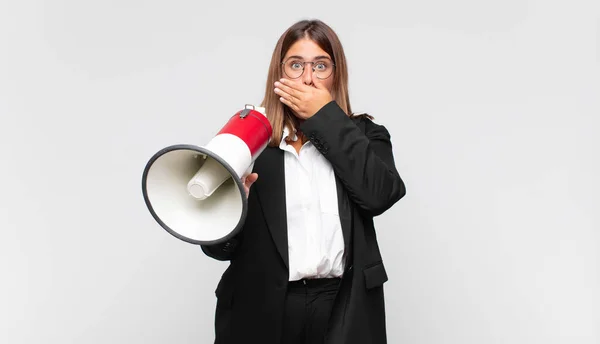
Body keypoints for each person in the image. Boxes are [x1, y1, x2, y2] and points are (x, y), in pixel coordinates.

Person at [201, 19, 406, 344]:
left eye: (320, 65)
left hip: (343, 306)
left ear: (336, 73)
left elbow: (380, 195)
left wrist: (324, 116)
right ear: (279, 73)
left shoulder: (365, 135)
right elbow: (217, 250)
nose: (308, 78)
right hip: (262, 308)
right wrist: (231, 205)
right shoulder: (248, 143)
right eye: (296, 65)